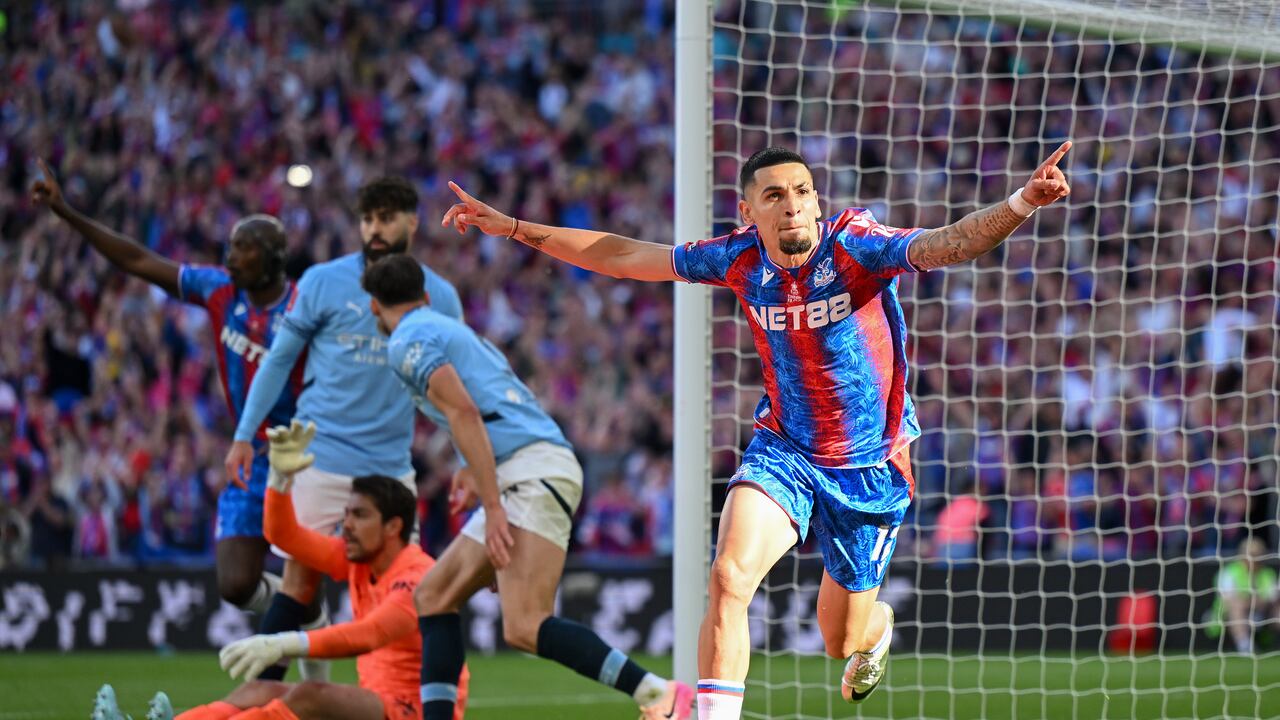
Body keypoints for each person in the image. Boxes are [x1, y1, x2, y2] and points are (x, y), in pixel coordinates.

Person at [439, 142, 1072, 717]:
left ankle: (876, 628)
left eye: (802, 192)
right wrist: (517, 227)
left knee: (840, 640)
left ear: (817, 201)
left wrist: (1021, 202)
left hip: (872, 465)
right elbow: (629, 256)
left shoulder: (855, 245)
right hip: (786, 450)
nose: (792, 207)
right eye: (774, 195)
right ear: (750, 211)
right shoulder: (740, 258)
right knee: (729, 576)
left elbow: (946, 244)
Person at [361, 255, 693, 720]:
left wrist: (494, 507)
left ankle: (657, 692)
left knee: (524, 625)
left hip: (529, 472)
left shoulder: (407, 341)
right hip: (528, 466)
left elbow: (465, 412)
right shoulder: (452, 330)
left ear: (375, 306)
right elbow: (490, 403)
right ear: (427, 296)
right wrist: (471, 469)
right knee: (433, 596)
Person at [31, 159, 296, 615]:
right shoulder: (219, 291)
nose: (229, 257)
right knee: (235, 584)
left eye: (242, 250)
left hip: (301, 456)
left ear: (272, 260)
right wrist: (69, 213)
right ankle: (303, 610)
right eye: (229, 248)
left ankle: (304, 636)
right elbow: (137, 260)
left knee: (309, 571)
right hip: (248, 456)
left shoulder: (303, 307)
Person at [224, 177, 463, 682]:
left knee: (403, 598)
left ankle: (398, 706)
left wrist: (465, 460)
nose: (375, 229)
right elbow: (278, 359)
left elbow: (453, 392)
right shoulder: (323, 282)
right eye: (368, 219)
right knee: (299, 584)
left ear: (411, 223)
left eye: (387, 218)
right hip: (321, 459)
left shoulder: (441, 297)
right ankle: (255, 703)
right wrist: (244, 434)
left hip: (390, 472)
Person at [92, 421, 468, 720]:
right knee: (258, 691)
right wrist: (280, 480)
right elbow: (282, 535)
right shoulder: (359, 559)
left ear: (394, 527)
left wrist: (281, 644)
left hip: (413, 713)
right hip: (374, 705)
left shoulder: (417, 576)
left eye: (360, 515)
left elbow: (367, 635)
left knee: (310, 695)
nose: (346, 524)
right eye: (347, 514)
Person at [1206, 537, 1280, 653]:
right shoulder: (1229, 572)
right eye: (1252, 555)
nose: (1255, 559)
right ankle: (1245, 646)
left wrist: (1254, 602)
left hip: (1261, 612)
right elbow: (1228, 600)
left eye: (1259, 555)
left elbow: (1272, 599)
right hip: (1226, 617)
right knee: (1237, 607)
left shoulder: (1267, 574)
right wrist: (1254, 601)